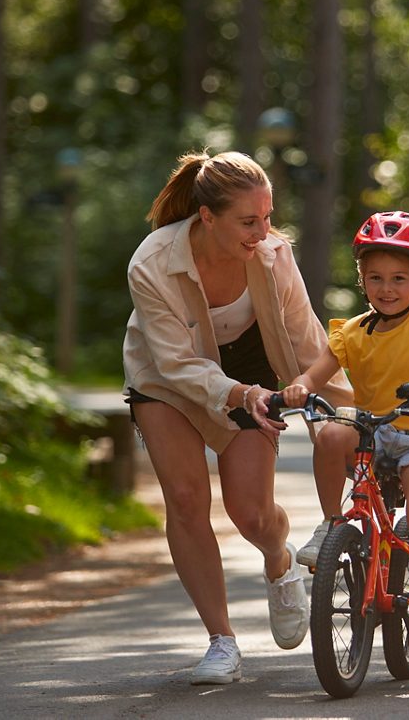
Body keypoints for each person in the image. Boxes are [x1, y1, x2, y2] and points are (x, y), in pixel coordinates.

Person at [122, 150, 352, 685]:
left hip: (251, 371)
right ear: (207, 217)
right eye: (249, 221)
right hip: (164, 379)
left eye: (268, 216)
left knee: (250, 515)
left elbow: (303, 338)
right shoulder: (151, 263)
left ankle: (279, 557)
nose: (263, 231)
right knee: (184, 498)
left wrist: (341, 415)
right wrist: (237, 394)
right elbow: (176, 363)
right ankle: (221, 640)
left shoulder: (272, 255)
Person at [281, 210, 409, 651]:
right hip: (372, 432)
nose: (386, 289)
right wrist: (297, 391)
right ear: (361, 279)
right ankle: (332, 523)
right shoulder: (352, 332)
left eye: (398, 279)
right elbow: (314, 377)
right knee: (332, 432)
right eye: (375, 278)